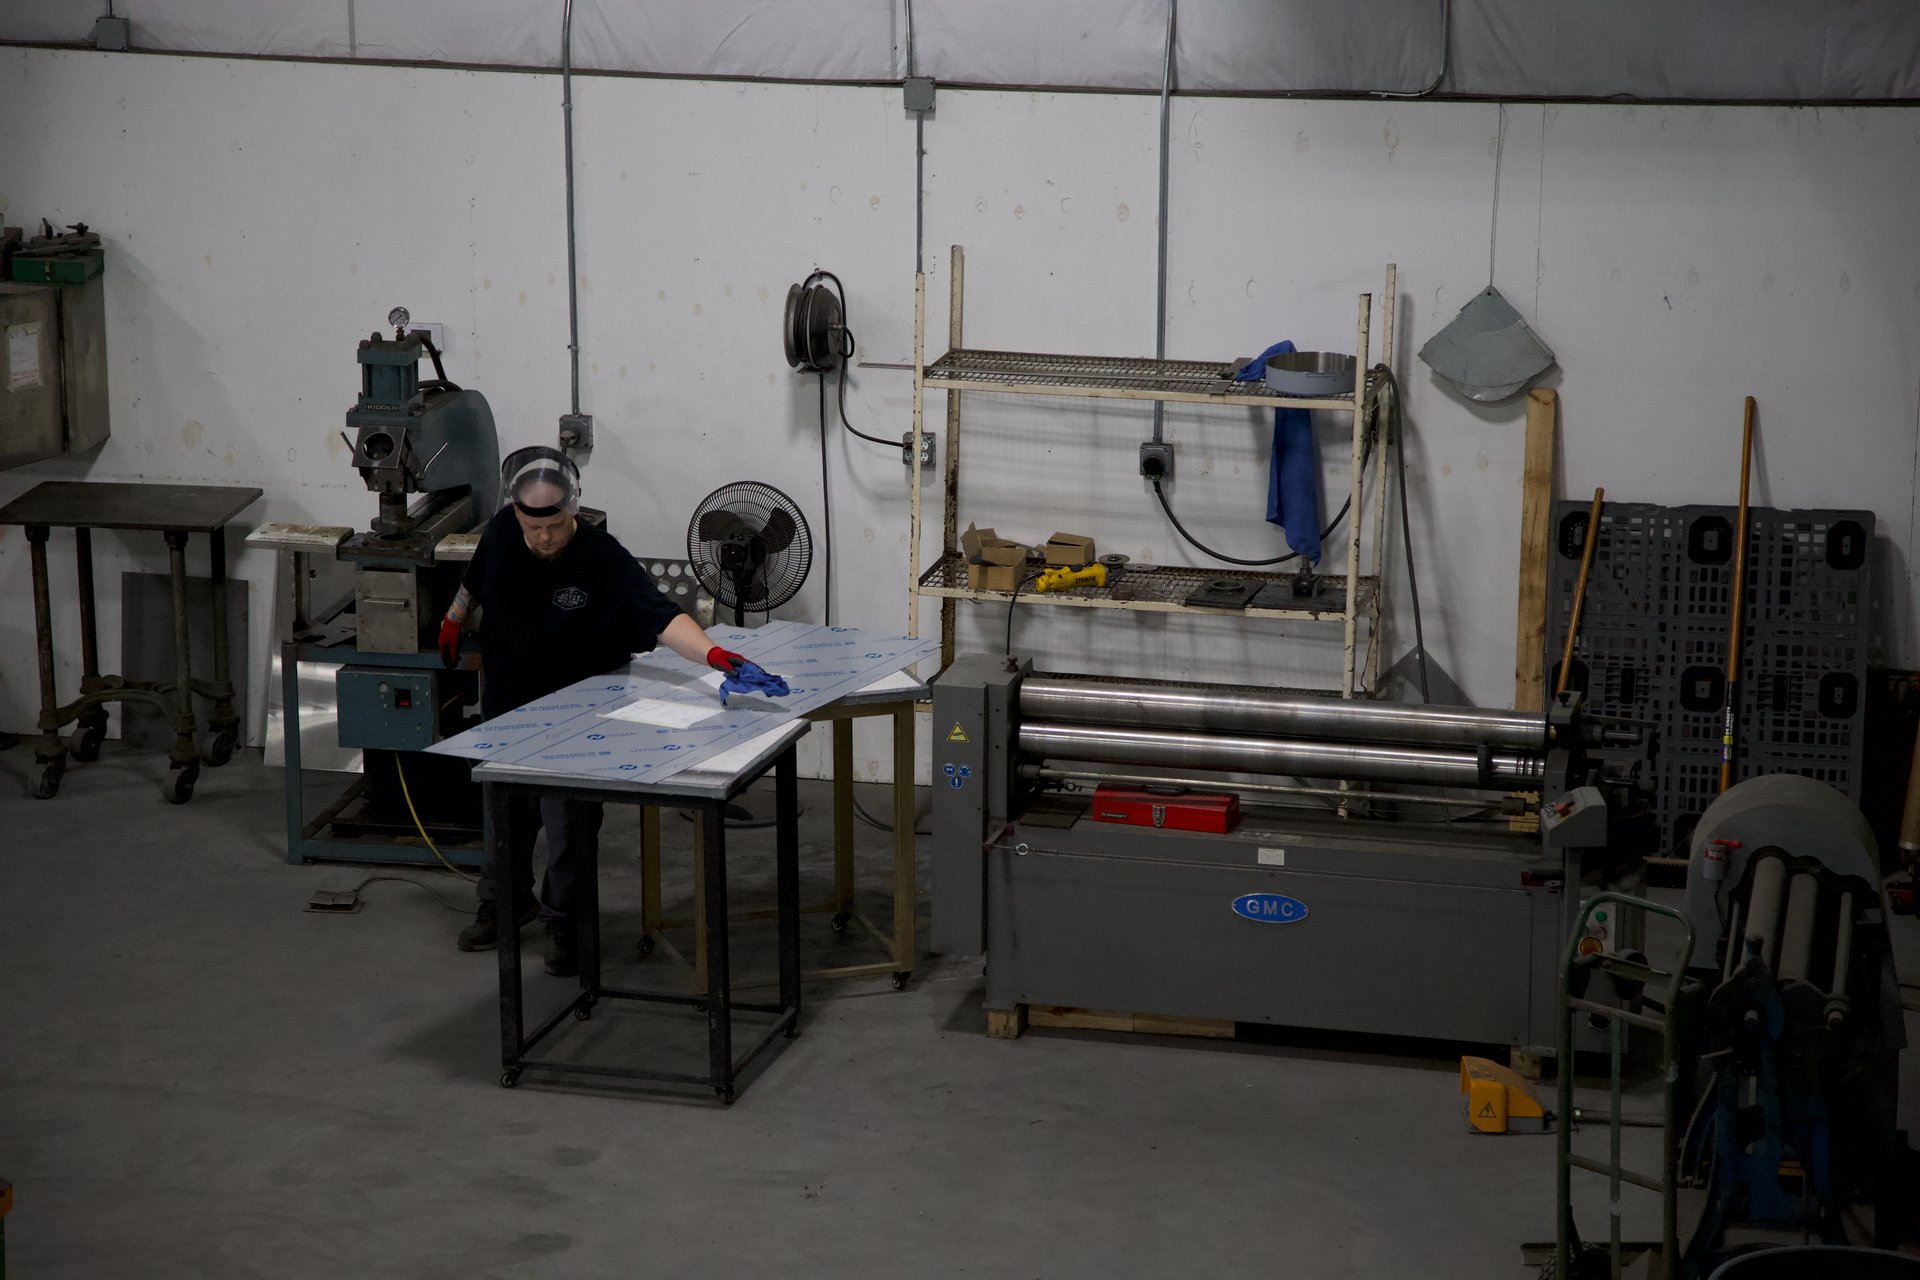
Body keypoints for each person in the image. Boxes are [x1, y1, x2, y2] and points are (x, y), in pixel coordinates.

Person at [440, 446, 773, 976]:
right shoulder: (504, 530)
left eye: (553, 526)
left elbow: (662, 620)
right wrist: (454, 620)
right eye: (532, 526)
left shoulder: (604, 559)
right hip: (508, 706)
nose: (542, 537)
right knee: (505, 812)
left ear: (572, 509)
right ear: (516, 512)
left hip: (578, 718)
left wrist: (713, 654)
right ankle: (503, 902)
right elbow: (475, 581)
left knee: (569, 822)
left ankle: (565, 919)